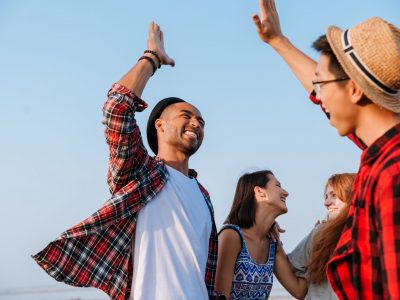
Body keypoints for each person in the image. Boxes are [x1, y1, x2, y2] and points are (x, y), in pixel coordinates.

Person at [33, 22, 221, 300]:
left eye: (201, 121)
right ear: (159, 125)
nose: (196, 123)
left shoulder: (203, 196)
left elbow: (204, 273)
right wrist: (152, 58)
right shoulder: (142, 172)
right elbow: (117, 108)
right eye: (186, 115)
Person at [252, 0, 400, 298]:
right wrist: (278, 41)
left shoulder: (392, 175)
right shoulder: (380, 155)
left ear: (355, 90)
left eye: (322, 84)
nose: (319, 97)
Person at [215, 170, 301, 299]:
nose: (286, 192)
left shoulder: (273, 242)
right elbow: (219, 297)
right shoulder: (232, 236)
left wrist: (320, 239)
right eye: (278, 185)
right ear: (260, 192)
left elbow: (299, 291)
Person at [273, 173, 356, 299]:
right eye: (327, 196)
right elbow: (289, 271)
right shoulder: (320, 233)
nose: (326, 203)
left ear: (353, 195)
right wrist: (273, 239)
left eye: (334, 195)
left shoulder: (371, 235)